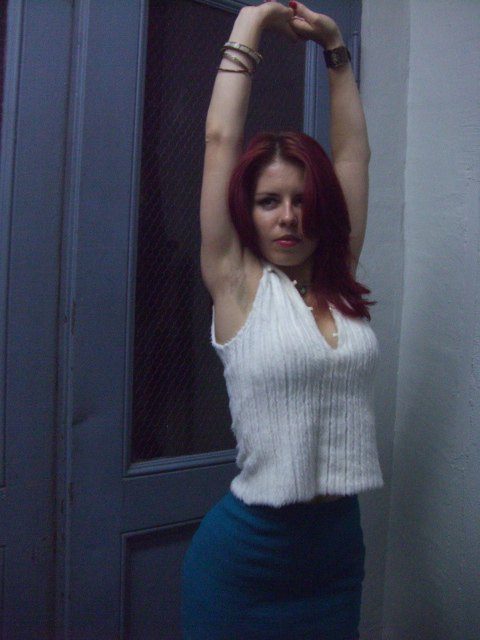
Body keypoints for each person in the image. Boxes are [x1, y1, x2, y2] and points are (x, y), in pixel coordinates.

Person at [181, 2, 383, 638]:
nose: (288, 216)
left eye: (301, 200)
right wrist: (251, 22)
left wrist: (335, 50)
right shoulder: (236, 282)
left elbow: (353, 157)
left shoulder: (337, 275)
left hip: (337, 555)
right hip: (248, 560)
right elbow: (221, 140)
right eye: (269, 201)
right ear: (248, 211)